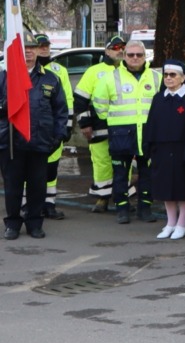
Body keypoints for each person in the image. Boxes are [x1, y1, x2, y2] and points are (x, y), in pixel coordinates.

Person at [1, 35, 69, 240]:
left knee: (37, 187)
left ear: (39, 51)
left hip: (39, 141)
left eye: (32, 47)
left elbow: (60, 111)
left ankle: (34, 223)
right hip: (11, 142)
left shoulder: (51, 78)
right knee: (13, 187)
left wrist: (58, 136)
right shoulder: (5, 77)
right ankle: (12, 224)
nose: (28, 51)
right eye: (24, 48)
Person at [92, 39, 159, 223]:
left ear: (145, 56)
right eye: (131, 54)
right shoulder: (110, 77)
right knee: (120, 174)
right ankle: (122, 209)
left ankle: (145, 209)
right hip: (120, 133)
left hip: (147, 133)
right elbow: (99, 104)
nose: (135, 58)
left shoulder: (156, 77)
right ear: (124, 56)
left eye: (139, 54)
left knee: (147, 173)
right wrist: (114, 120)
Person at [142, 61, 185, 239]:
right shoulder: (159, 98)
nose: (168, 78)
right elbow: (151, 124)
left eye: (173, 75)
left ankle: (182, 223)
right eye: (166, 75)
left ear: (183, 78)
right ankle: (170, 222)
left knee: (183, 187)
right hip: (162, 149)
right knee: (165, 187)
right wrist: (148, 148)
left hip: (184, 149)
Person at [74, 34, 127, 211]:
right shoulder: (94, 71)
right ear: (107, 51)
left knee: (123, 162)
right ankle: (102, 198)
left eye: (122, 48)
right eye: (116, 48)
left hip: (123, 126)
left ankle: (122, 198)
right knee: (101, 162)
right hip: (99, 126)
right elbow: (80, 99)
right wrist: (85, 124)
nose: (120, 51)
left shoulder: (129, 70)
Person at [33, 33, 72, 220]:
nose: (44, 49)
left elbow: (67, 100)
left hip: (53, 129)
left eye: (46, 45)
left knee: (51, 169)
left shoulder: (59, 70)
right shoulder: (27, 70)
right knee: (29, 170)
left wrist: (67, 126)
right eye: (40, 46)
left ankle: (49, 205)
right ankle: (29, 205)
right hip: (33, 129)